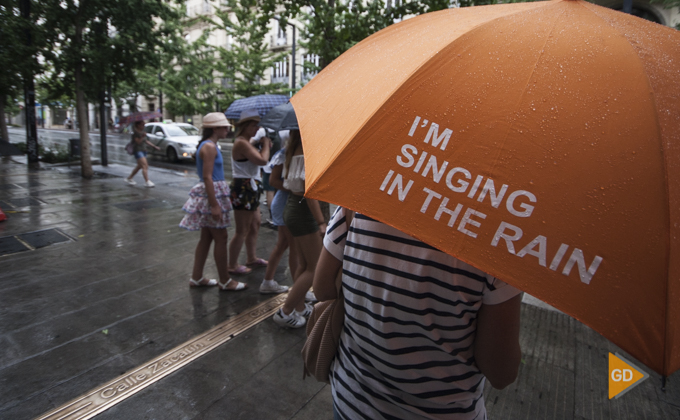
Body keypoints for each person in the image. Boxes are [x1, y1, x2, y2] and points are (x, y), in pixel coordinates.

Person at [314, 207, 523, 419]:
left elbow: (323, 287)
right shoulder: (501, 238)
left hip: (352, 402)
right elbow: (501, 373)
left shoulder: (362, 197)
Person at [179, 112, 247, 292]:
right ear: (214, 128)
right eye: (224, 126)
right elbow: (208, 177)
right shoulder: (209, 147)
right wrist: (215, 204)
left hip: (212, 192)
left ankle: (197, 276)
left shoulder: (208, 145)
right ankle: (225, 280)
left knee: (207, 237)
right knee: (221, 237)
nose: (228, 129)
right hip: (212, 194)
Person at [272, 129, 328, 328]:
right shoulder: (307, 153)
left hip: (293, 207)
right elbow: (310, 193)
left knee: (304, 266)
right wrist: (321, 222)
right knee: (315, 268)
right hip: (304, 212)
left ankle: (299, 307)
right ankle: (285, 312)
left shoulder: (292, 148)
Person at [227, 109, 271, 275]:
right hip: (243, 187)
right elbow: (262, 159)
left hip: (250, 186)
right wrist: (266, 144)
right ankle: (231, 265)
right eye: (253, 125)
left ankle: (251, 257)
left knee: (255, 223)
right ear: (244, 126)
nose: (256, 128)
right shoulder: (241, 142)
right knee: (242, 229)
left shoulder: (247, 142)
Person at [258, 142, 297, 295]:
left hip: (289, 203)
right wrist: (295, 188)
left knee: (282, 245)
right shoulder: (284, 154)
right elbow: (273, 181)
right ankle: (298, 289)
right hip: (284, 204)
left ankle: (267, 281)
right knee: (294, 247)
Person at [125, 120, 160, 187]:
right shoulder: (136, 133)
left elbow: (146, 141)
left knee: (139, 166)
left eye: (144, 124)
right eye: (142, 125)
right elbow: (138, 142)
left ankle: (129, 178)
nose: (143, 126)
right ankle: (147, 181)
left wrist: (154, 146)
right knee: (145, 165)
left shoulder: (142, 132)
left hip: (144, 150)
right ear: (138, 125)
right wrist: (142, 136)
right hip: (138, 150)